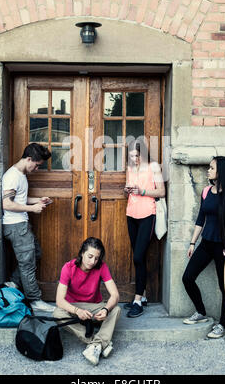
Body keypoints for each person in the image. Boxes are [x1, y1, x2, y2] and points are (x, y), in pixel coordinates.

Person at [182, 156, 225, 338]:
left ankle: (222, 324)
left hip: (224, 247)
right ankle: (201, 312)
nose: (208, 170)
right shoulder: (205, 192)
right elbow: (200, 219)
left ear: (221, 172)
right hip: (206, 244)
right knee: (187, 277)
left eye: (211, 168)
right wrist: (192, 243)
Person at [2, 142, 54, 313]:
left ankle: (13, 283)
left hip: (21, 224)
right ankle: (35, 300)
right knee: (27, 264)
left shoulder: (21, 174)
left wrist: (38, 201)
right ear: (29, 159)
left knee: (35, 254)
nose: (37, 169)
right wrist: (32, 209)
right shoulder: (13, 176)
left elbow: (19, 200)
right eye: (37, 165)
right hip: (16, 226)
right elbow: (7, 204)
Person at [54, 237, 121, 366]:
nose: (93, 261)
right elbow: (59, 300)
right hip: (74, 308)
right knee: (57, 314)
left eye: (96, 258)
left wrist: (105, 309)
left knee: (116, 310)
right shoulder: (68, 267)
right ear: (82, 253)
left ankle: (96, 346)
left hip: (93, 308)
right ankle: (98, 343)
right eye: (90, 256)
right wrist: (76, 311)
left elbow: (115, 295)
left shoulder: (102, 267)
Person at [123, 139, 165, 318]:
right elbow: (128, 190)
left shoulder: (153, 167)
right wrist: (127, 190)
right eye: (131, 156)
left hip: (148, 214)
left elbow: (162, 192)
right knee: (137, 257)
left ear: (144, 154)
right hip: (131, 213)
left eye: (137, 156)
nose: (134, 159)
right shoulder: (130, 168)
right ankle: (144, 296)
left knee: (139, 256)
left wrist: (142, 192)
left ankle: (137, 301)